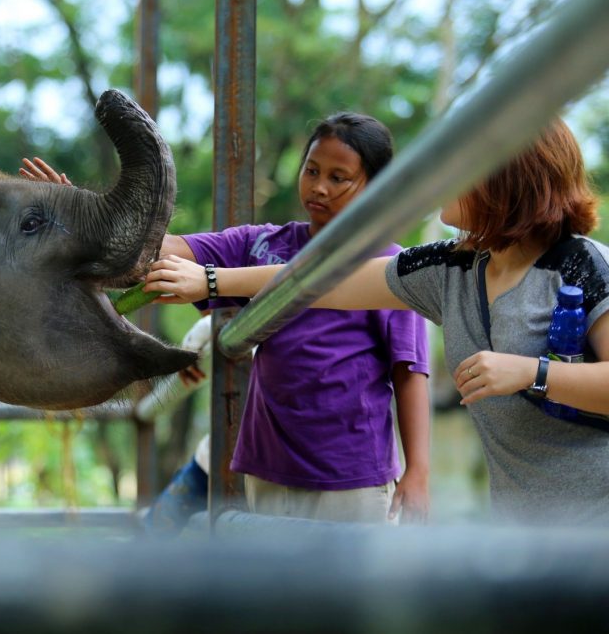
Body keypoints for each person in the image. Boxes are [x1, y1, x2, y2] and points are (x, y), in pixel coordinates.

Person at [145, 116, 609, 526]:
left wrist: (532, 373)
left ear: (506, 179)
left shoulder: (583, 265)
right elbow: (325, 280)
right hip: (523, 523)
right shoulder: (453, 268)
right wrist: (212, 279)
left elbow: (410, 373)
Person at [22, 112, 432, 525]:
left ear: (374, 187)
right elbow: (160, 249)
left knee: (346, 588)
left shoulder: (390, 266)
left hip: (350, 475)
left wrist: (418, 470)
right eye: (311, 170)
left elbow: (410, 369)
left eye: (339, 178)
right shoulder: (262, 244)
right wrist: (82, 217)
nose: (319, 186)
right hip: (270, 466)